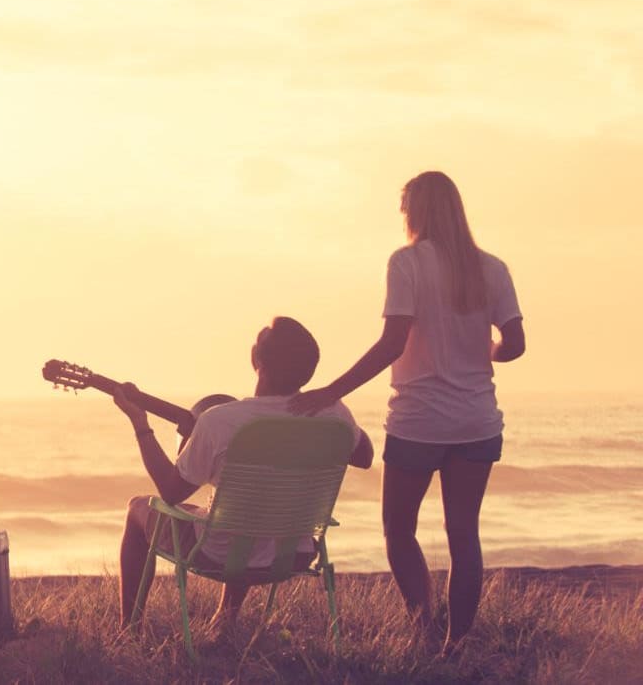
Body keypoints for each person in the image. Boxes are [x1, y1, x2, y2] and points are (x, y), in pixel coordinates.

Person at [290, 171, 527, 649]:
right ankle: (455, 642)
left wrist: (331, 391)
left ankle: (423, 627)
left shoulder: (407, 263)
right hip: (477, 421)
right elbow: (516, 345)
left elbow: (393, 342)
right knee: (464, 535)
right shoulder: (493, 268)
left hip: (419, 421)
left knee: (398, 531)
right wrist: (485, 348)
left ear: (414, 212)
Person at [111, 316, 374, 632]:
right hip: (296, 554)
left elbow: (170, 492)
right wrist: (330, 405)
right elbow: (365, 455)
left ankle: (129, 628)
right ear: (309, 370)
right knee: (243, 511)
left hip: (219, 555)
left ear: (256, 361)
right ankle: (225, 619)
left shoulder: (220, 421)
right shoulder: (335, 415)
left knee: (138, 508)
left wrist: (140, 423)